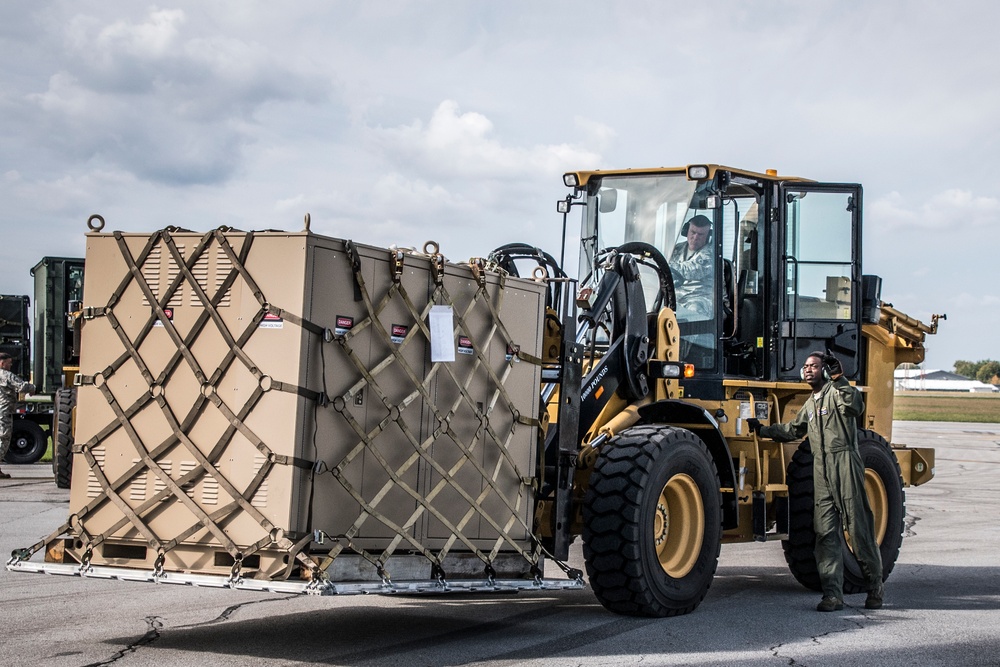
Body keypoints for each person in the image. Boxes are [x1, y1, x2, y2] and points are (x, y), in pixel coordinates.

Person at [747, 351, 884, 612]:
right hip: (820, 469)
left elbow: (855, 405)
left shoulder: (837, 393)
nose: (808, 370)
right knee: (825, 534)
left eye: (814, 366)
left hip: (844, 463)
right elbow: (792, 430)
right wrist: (763, 430)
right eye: (806, 366)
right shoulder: (810, 404)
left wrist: (840, 378)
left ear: (824, 371)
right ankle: (833, 595)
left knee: (858, 529)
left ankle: (875, 586)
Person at [669, 214, 714, 317]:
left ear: (708, 236)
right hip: (677, 295)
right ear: (686, 231)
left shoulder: (711, 254)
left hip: (700, 297)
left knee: (693, 310)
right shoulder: (676, 249)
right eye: (693, 232)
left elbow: (691, 270)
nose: (695, 237)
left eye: (701, 234)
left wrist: (665, 265)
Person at [0, 352, 35, 479]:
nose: (10, 366)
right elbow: (22, 386)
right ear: (2, 363)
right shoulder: (5, 375)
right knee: (3, 438)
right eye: (9, 363)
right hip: (3, 413)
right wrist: (33, 388)